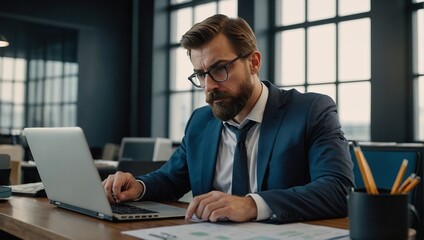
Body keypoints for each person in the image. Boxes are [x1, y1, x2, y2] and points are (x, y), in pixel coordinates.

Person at [102, 14, 355, 223]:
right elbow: (171, 178)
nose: (209, 86)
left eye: (220, 69)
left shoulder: (310, 110)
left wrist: (252, 205)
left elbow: (338, 189)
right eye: (201, 75)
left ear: (253, 62)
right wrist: (138, 187)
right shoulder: (201, 122)